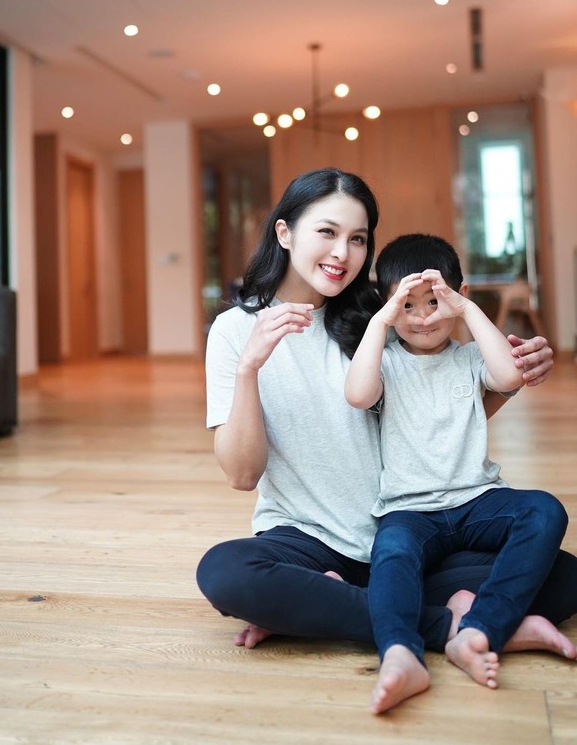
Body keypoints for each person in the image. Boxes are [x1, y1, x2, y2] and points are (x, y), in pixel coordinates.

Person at [196, 168, 577, 675]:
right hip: (309, 540)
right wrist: (250, 367)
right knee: (225, 572)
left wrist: (514, 378)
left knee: (564, 575)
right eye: (327, 232)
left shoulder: (383, 318)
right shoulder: (234, 330)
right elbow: (243, 475)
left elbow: (436, 416)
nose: (342, 253)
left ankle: (326, 608)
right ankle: (453, 626)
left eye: (357, 239)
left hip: (405, 532)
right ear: (284, 232)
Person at [344, 233, 570, 714]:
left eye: (436, 302)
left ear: (457, 296)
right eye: (407, 305)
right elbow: (358, 395)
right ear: (388, 306)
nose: (423, 317)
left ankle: (480, 629)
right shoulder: (386, 362)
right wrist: (382, 320)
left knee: (545, 511)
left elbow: (508, 377)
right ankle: (400, 653)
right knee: (391, 554)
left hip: (476, 499)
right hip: (410, 510)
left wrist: (466, 310)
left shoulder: (468, 358)